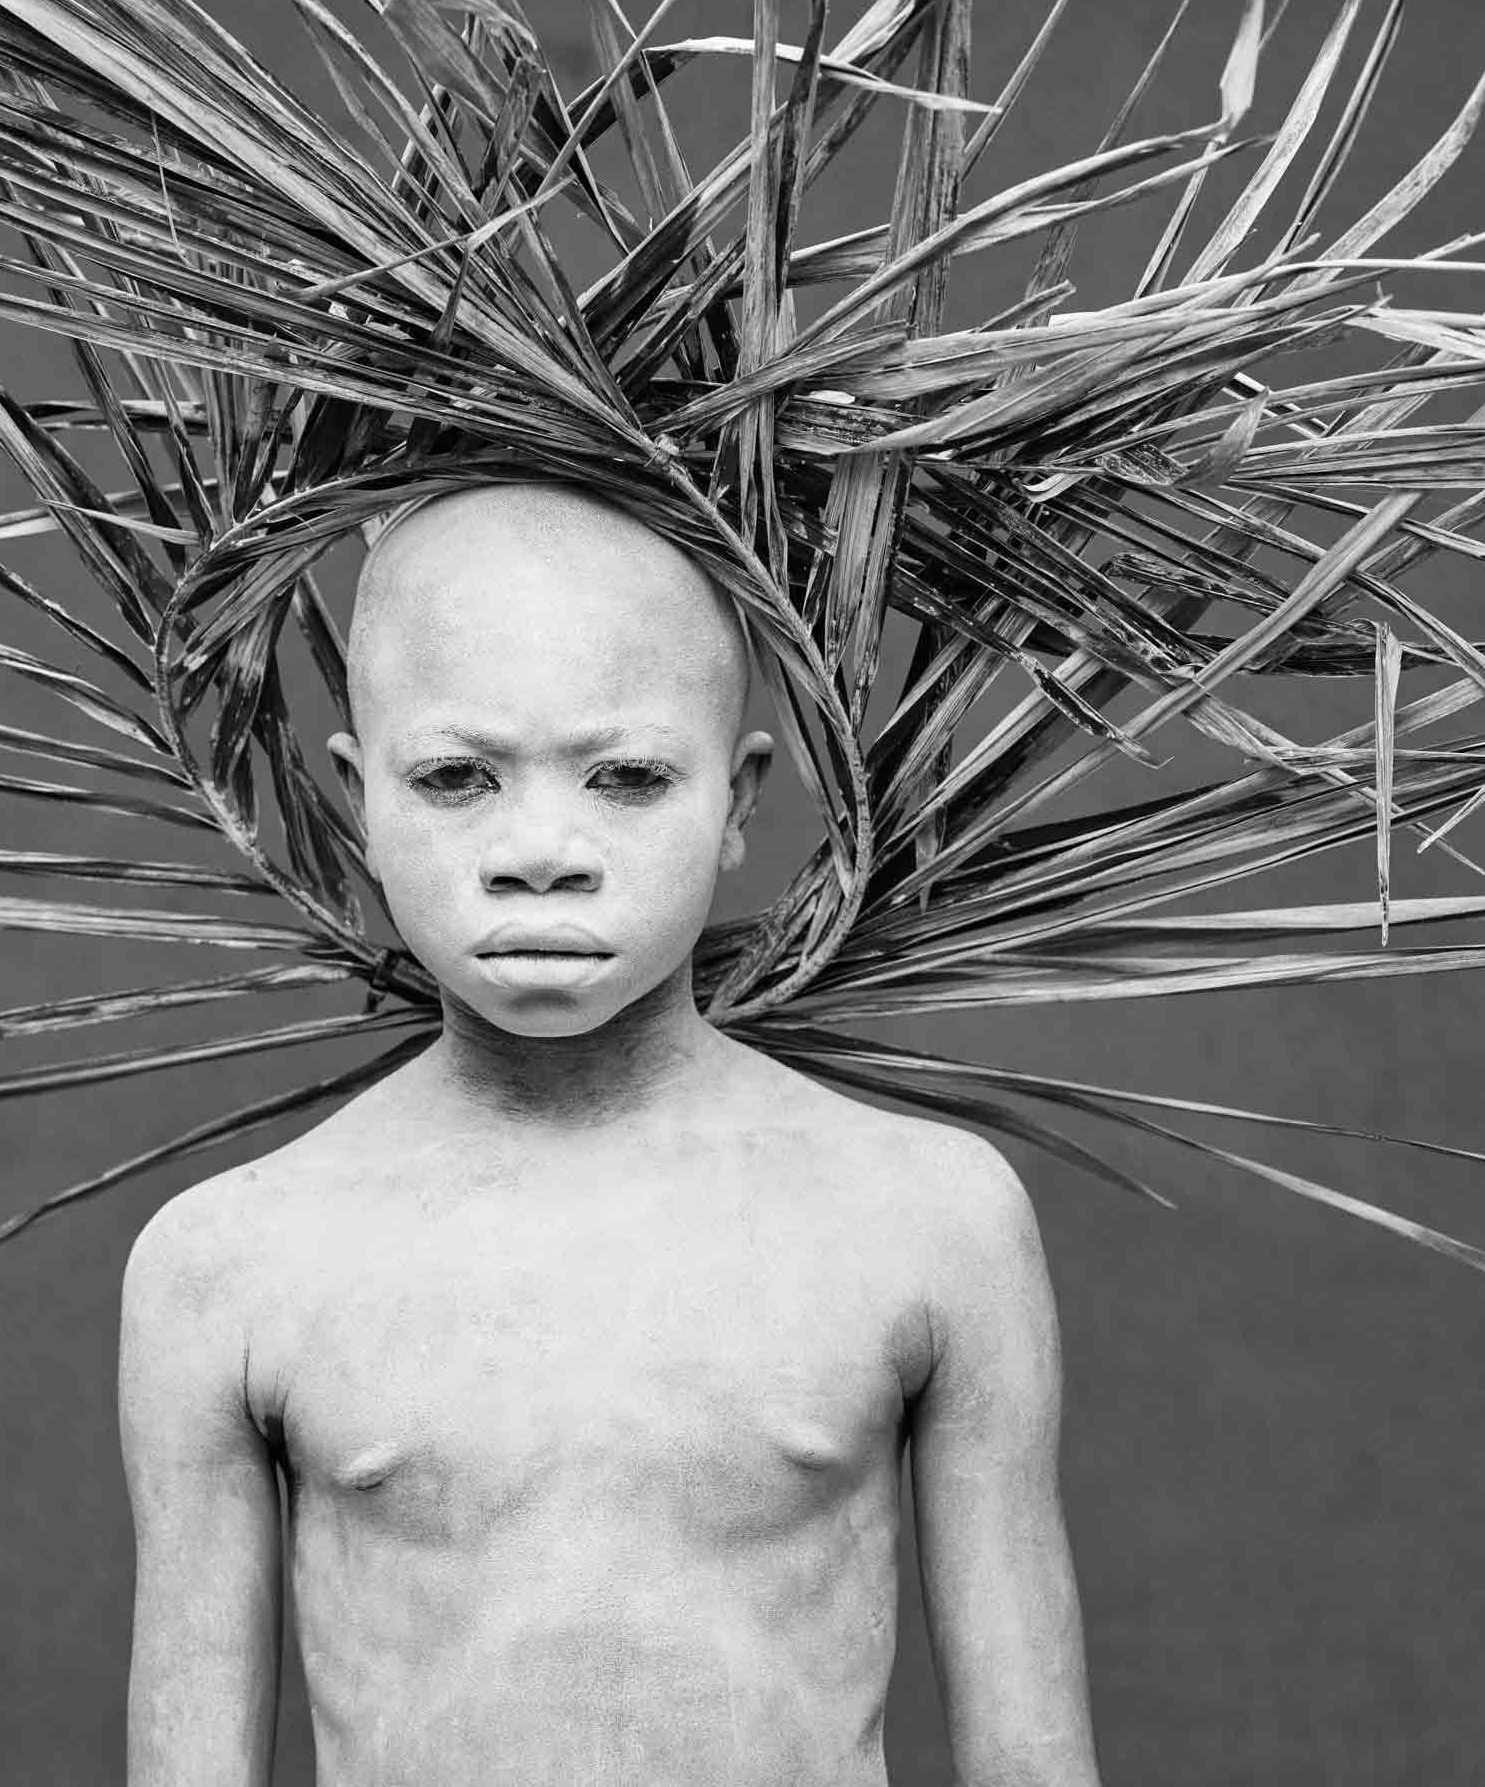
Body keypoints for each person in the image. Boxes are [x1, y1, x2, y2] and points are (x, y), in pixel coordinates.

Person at [118, 481, 1101, 1786]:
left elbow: (1032, 1768)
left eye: (626, 778)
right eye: (456, 778)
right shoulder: (226, 1266)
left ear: (740, 796)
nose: (541, 850)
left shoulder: (930, 1220)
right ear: (361, 798)